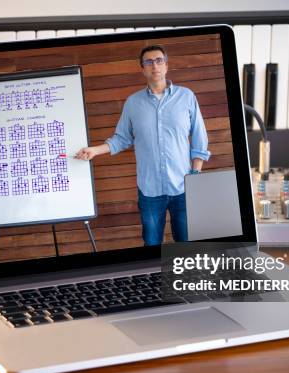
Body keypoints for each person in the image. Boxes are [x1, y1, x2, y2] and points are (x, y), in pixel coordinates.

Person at [75, 44, 209, 245]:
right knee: (151, 246)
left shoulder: (186, 97)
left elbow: (200, 137)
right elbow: (121, 138)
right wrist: (94, 150)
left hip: (183, 186)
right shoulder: (133, 103)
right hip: (149, 190)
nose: (154, 65)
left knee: (186, 245)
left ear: (166, 66)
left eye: (159, 60)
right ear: (143, 69)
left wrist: (195, 175)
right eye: (149, 62)